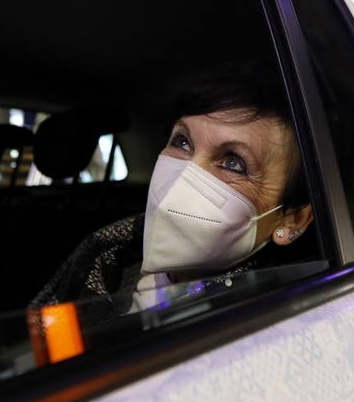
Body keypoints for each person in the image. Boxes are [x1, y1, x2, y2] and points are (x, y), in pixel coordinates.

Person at [31, 70, 315, 315]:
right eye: (182, 142)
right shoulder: (107, 255)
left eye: (233, 163)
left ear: (292, 220)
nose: (184, 176)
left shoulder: (272, 317)